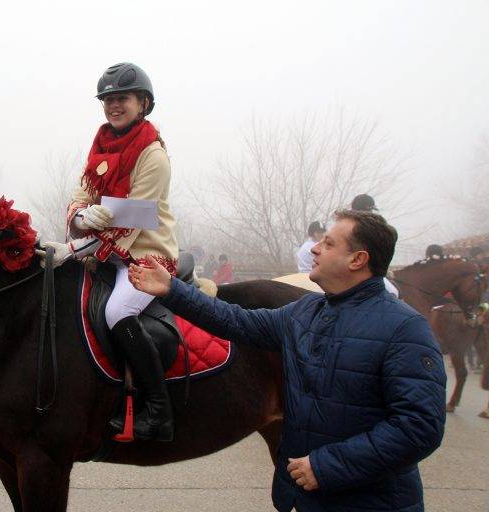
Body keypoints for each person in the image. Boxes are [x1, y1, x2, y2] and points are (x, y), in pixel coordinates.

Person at [128, 209, 446, 512]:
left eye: (329, 244)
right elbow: (235, 321)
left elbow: (419, 427)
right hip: (309, 497)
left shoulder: (405, 328)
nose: (315, 249)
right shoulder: (305, 312)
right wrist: (172, 289)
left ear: (357, 260)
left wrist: (326, 467)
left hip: (373, 502)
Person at [36, 62, 179, 441]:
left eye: (123, 99)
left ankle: (158, 411)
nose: (114, 106)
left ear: (143, 103)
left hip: (145, 255)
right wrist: (81, 215)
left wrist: (72, 247)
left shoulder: (153, 155)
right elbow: (80, 196)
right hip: (103, 252)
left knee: (117, 311)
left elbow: (134, 218)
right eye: (108, 100)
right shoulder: (101, 144)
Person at [350, 194, 399, 297]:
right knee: (394, 292)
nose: (371, 213)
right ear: (364, 209)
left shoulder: (343, 223)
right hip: (360, 270)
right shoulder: (366, 228)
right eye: (370, 210)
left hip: (354, 268)